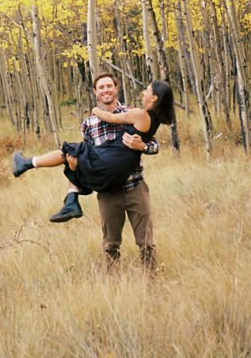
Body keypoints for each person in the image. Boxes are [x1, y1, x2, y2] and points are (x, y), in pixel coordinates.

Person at [12, 73, 174, 270]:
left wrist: (143, 147)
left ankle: (40, 173)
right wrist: (73, 166)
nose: (105, 90)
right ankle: (72, 201)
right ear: (96, 92)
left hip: (134, 186)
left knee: (146, 242)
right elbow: (86, 153)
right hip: (108, 191)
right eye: (101, 87)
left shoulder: (132, 112)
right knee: (110, 245)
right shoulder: (89, 123)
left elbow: (154, 144)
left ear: (116, 89)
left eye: (109, 86)